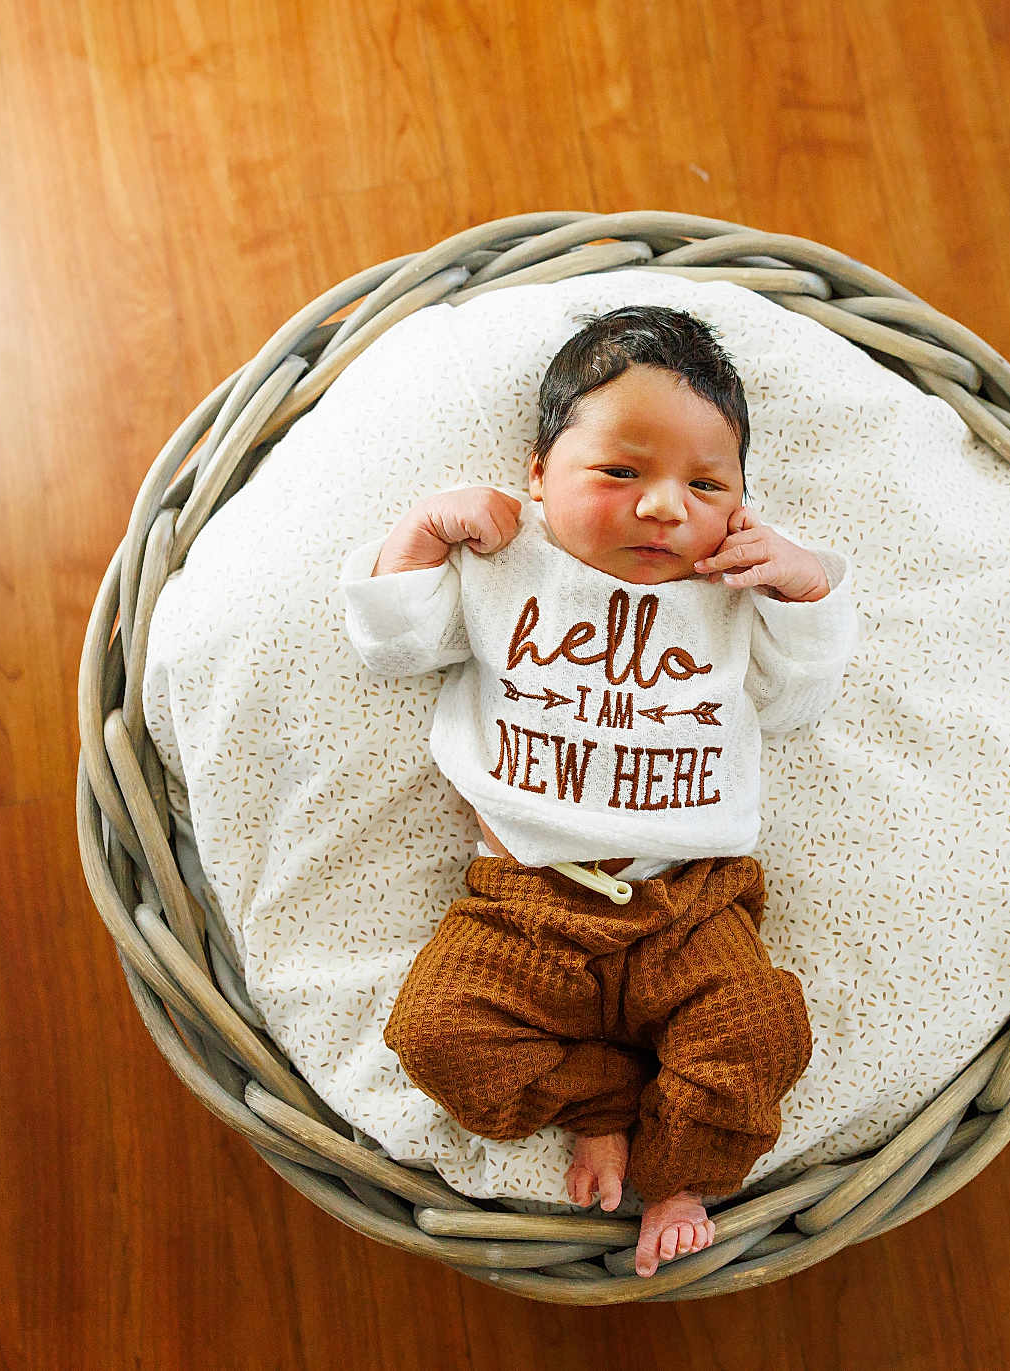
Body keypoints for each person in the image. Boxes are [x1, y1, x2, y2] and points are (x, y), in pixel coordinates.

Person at [338, 305, 858, 1278]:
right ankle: (601, 1104)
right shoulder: (506, 561)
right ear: (537, 476)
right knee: (437, 1033)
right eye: (621, 473)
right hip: (522, 902)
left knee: (760, 1031)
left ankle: (679, 1171)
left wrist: (803, 590)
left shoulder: (737, 581)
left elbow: (795, 701)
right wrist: (421, 532)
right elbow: (394, 646)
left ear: (744, 497)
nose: (665, 506)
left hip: (689, 901)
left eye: (707, 484)